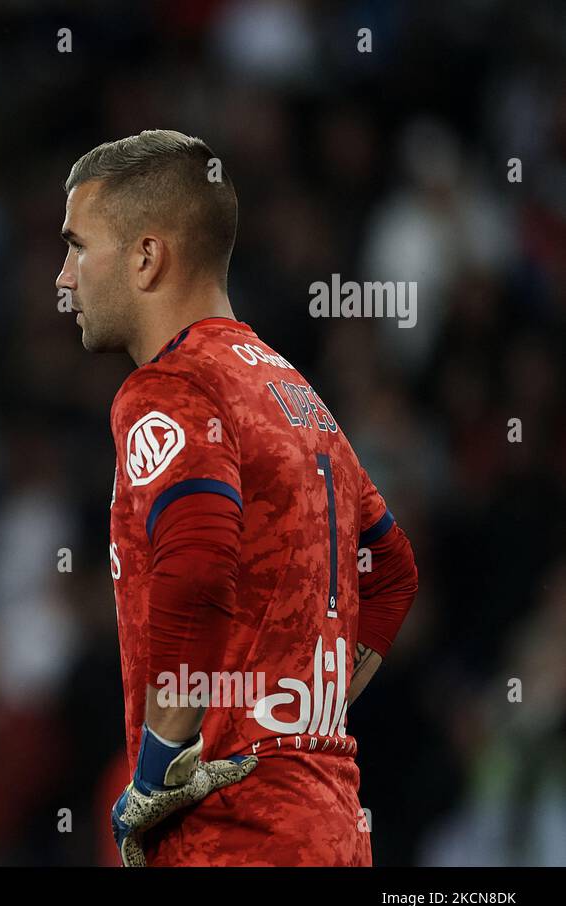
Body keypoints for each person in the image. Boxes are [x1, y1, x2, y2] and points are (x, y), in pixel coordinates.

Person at [55, 130, 418, 866]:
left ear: (146, 257)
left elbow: (195, 563)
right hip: (332, 826)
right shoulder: (290, 390)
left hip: (233, 838)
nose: (62, 278)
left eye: (76, 247)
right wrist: (300, 721)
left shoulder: (170, 388)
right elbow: (393, 567)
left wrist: (158, 765)